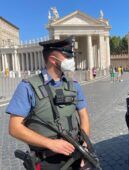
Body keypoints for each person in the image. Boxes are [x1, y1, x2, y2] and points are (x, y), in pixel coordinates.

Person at [6, 36, 90, 169]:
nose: (71, 60)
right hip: (47, 161)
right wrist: (51, 143)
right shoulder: (27, 87)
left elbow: (83, 115)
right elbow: (14, 128)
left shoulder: (74, 85)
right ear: (52, 59)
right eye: (67, 56)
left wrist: (85, 145)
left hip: (76, 155)